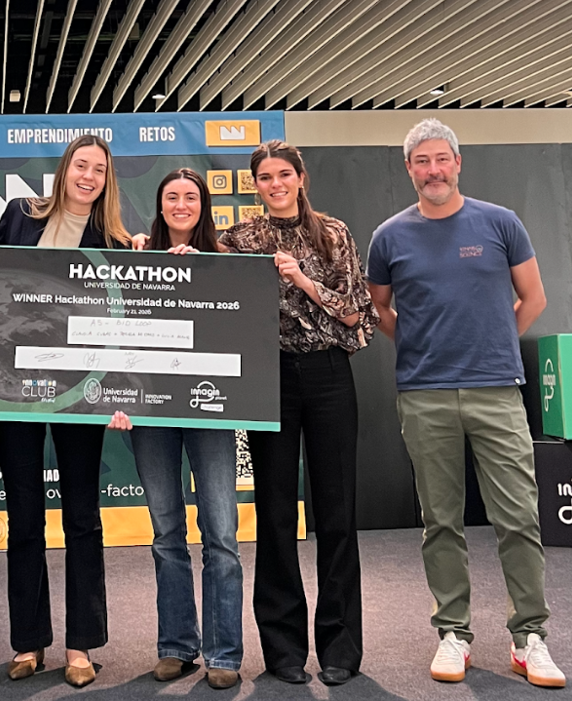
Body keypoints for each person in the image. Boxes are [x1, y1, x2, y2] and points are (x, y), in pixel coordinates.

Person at [365, 119, 563, 688]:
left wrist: (495, 343)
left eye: (441, 159)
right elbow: (381, 307)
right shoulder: (389, 236)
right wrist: (422, 345)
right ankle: (454, 633)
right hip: (424, 396)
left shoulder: (500, 223)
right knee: (440, 522)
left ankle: (530, 639)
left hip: (497, 391)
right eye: (421, 161)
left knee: (519, 518)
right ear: (410, 169)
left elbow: (533, 297)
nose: (432, 170)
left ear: (457, 162)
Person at [219, 140, 377, 687]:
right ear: (255, 185)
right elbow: (210, 292)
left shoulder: (333, 233)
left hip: (331, 374)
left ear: (301, 177)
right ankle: (283, 648)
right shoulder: (240, 239)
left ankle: (340, 645)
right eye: (264, 177)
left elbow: (357, 310)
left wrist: (301, 280)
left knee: (337, 512)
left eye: (283, 174)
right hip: (270, 378)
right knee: (276, 514)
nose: (275, 184)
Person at [0, 134, 132, 688]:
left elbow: (125, 324)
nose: (88, 175)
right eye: (81, 165)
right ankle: (27, 643)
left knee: (82, 518)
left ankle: (80, 645)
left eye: (98, 168)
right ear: (64, 169)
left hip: (81, 392)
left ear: (107, 179)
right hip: (13, 390)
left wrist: (122, 396)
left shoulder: (115, 239)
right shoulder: (20, 215)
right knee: (24, 518)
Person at [128, 168, 244, 690]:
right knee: (165, 532)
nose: (180, 205)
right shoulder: (136, 257)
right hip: (150, 412)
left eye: (190, 197)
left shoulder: (227, 261)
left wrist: (209, 274)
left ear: (203, 206)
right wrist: (117, 396)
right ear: (160, 204)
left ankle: (224, 652)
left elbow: (242, 334)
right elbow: (119, 334)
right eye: (171, 196)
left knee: (221, 533)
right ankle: (176, 645)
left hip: (210, 412)